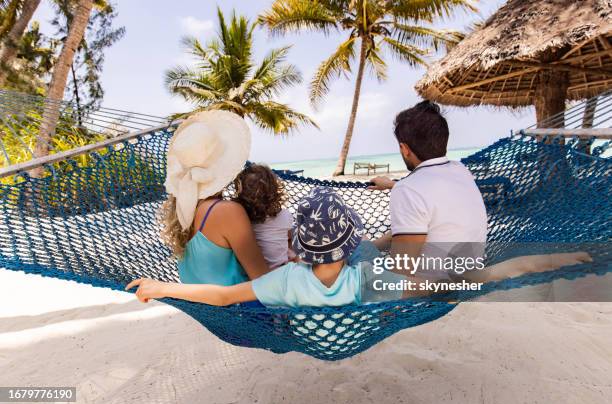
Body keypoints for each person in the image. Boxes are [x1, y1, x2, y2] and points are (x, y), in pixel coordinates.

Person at [126, 187, 592, 306]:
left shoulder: (286, 280)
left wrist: (165, 288)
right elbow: (431, 284)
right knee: (477, 274)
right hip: (374, 288)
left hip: (315, 296)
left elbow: (225, 295)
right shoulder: (370, 276)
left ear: (297, 249)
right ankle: (550, 259)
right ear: (347, 247)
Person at [368, 101, 488, 280]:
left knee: (357, 260)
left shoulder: (408, 190)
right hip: (469, 270)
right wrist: (393, 184)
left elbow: (401, 271)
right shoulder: (460, 170)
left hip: (432, 290)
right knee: (406, 229)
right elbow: (431, 194)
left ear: (404, 149)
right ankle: (369, 247)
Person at [160, 110, 268, 286]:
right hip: (240, 309)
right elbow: (263, 280)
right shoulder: (226, 211)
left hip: (207, 311)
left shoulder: (181, 213)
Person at [233, 164, 294, 269]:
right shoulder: (284, 215)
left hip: (251, 273)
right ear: (274, 190)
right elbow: (288, 237)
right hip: (282, 269)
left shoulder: (241, 219)